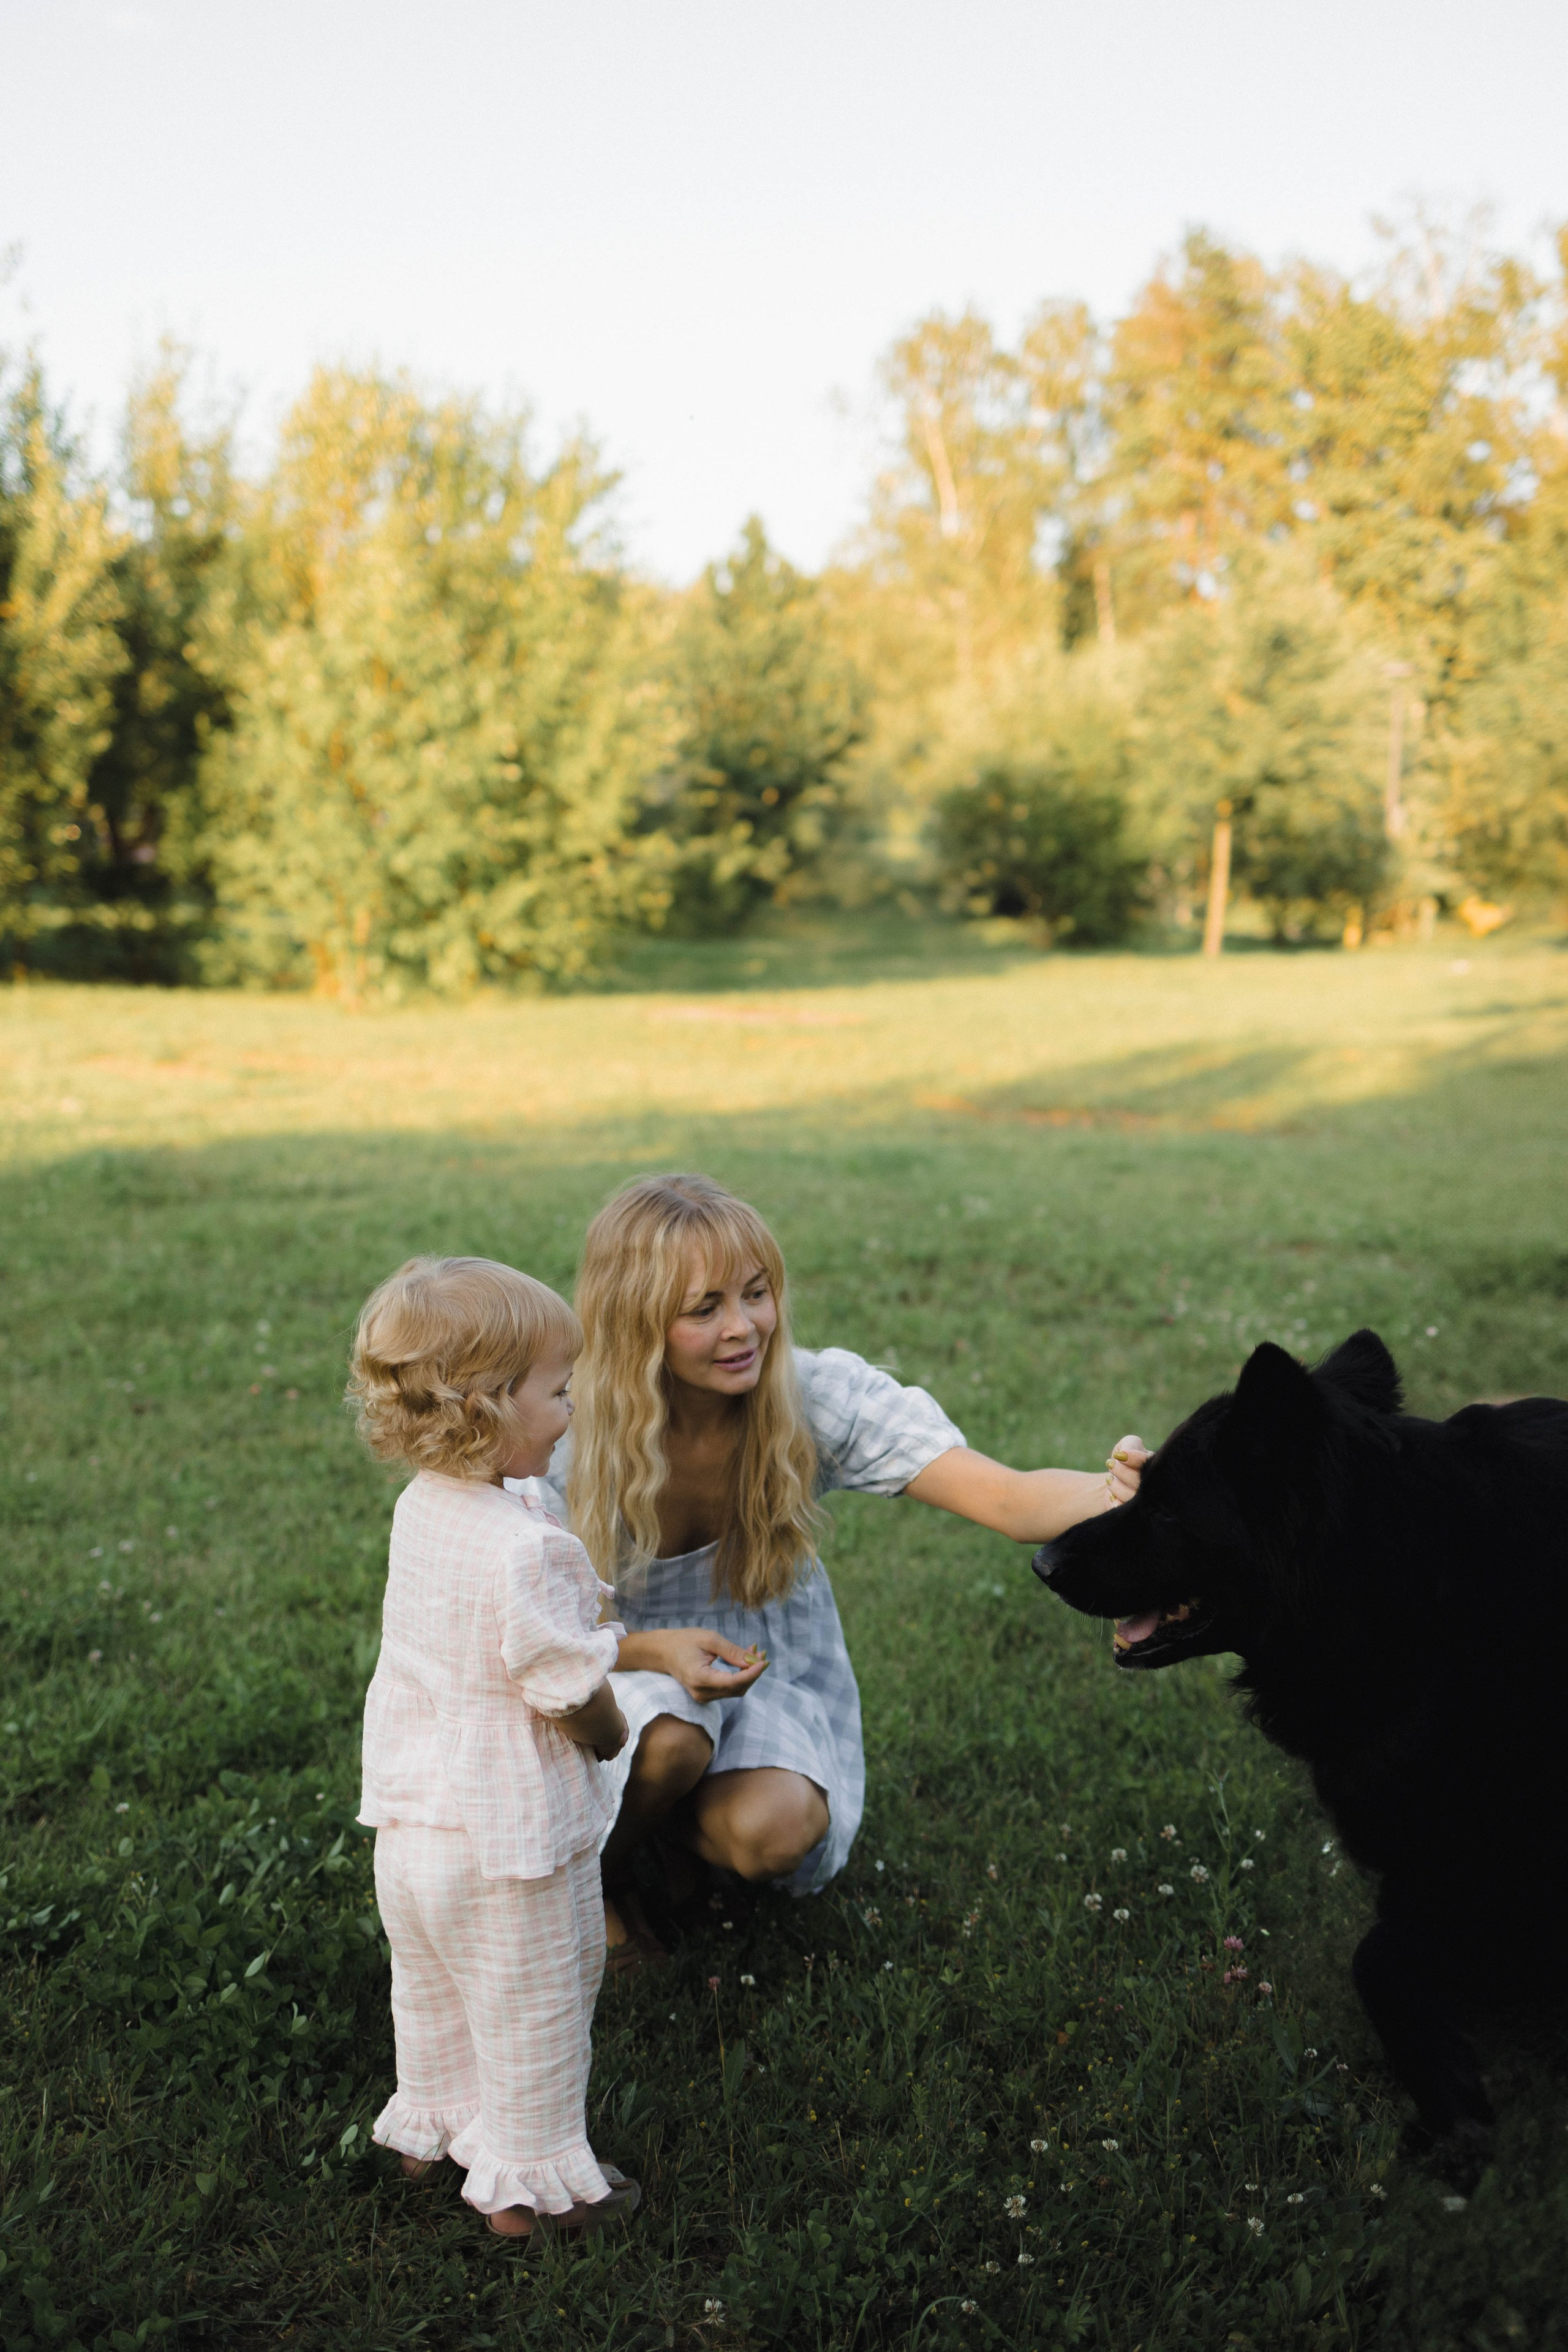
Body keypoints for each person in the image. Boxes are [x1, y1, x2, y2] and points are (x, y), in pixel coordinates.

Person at [527, 1174, 1147, 1959]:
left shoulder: (808, 1397)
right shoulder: (564, 1434)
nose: (743, 1327)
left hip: (755, 1668)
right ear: (635, 1322)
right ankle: (592, 1891)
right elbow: (524, 1632)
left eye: (756, 1293)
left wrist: (1115, 1487)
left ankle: (660, 1841)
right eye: (704, 1309)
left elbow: (1009, 1499)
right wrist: (653, 1650)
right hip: (605, 1675)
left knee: (775, 1830)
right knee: (670, 1740)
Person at [349, 1254, 640, 2247]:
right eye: (557, 1393)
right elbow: (566, 1689)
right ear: (484, 1408)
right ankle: (527, 2193)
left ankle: (424, 2136)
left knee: (430, 1985)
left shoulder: (426, 1507)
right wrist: (612, 1733)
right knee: (536, 2007)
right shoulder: (525, 1548)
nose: (571, 1410)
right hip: (508, 1840)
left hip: (414, 1823)